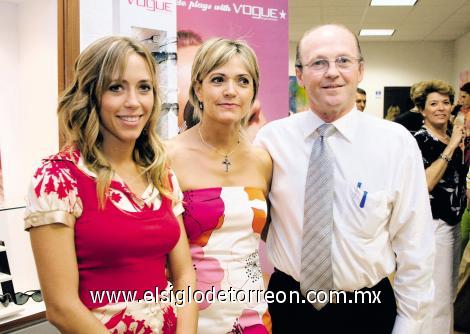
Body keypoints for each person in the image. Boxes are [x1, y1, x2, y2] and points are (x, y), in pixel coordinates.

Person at [255, 24, 434, 333]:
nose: (332, 72)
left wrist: (409, 323)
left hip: (367, 309)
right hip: (287, 305)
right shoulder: (271, 140)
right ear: (300, 74)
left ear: (361, 70)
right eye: (318, 62)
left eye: (343, 61)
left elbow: (415, 242)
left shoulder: (396, 143)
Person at [24, 36, 197, 334]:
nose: (133, 101)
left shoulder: (161, 172)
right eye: (116, 87)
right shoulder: (57, 177)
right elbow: (61, 307)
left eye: (144, 87)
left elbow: (185, 276)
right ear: (91, 94)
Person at [167, 38, 273, 333]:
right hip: (187, 317)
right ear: (198, 88)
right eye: (218, 79)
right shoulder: (167, 156)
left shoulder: (262, 160)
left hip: (252, 316)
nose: (231, 90)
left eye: (243, 81)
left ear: (253, 92)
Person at [412, 79, 467, 334]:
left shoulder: (452, 137)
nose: (441, 108)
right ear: (422, 110)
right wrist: (453, 144)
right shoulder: (419, 141)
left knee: (447, 293)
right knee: (436, 295)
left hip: (453, 223)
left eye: (445, 102)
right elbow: (424, 184)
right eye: (433, 104)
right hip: (433, 226)